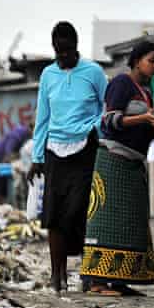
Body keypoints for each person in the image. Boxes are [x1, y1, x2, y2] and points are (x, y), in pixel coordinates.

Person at [28, 21, 107, 293]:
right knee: (54, 215)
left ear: (76, 47)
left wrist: (94, 128)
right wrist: (37, 156)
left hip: (85, 149)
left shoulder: (94, 73)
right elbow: (43, 117)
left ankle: (87, 273)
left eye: (67, 51)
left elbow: (106, 108)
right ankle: (56, 275)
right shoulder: (48, 75)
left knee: (82, 211)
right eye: (58, 51)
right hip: (54, 151)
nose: (62, 57)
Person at [80, 42, 154, 297]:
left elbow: (147, 129)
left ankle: (119, 279)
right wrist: (144, 118)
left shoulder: (147, 91)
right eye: (152, 60)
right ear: (137, 60)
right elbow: (110, 120)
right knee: (106, 221)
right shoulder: (121, 84)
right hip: (113, 161)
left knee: (129, 222)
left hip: (134, 162)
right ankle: (96, 281)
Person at [0, 120, 32, 203]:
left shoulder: (24, 134)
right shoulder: (19, 134)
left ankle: (0, 202)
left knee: (2, 182)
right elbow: (8, 151)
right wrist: (10, 160)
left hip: (0, 154)